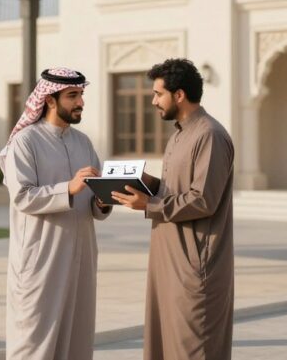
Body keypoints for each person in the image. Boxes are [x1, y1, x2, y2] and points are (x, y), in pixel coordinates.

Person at [112, 58, 235, 360]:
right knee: (165, 344)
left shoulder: (209, 135)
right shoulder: (179, 134)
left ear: (179, 95)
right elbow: (176, 189)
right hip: (167, 259)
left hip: (195, 264)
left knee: (193, 347)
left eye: (158, 94)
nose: (153, 101)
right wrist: (146, 183)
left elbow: (203, 199)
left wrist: (149, 204)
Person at [0, 67, 112, 360]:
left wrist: (103, 202)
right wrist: (69, 188)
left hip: (81, 255)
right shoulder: (25, 142)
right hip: (41, 257)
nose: (80, 103)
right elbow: (22, 196)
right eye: (72, 96)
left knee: (77, 336)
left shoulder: (83, 142)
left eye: (81, 95)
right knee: (34, 340)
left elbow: (94, 202)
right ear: (49, 100)